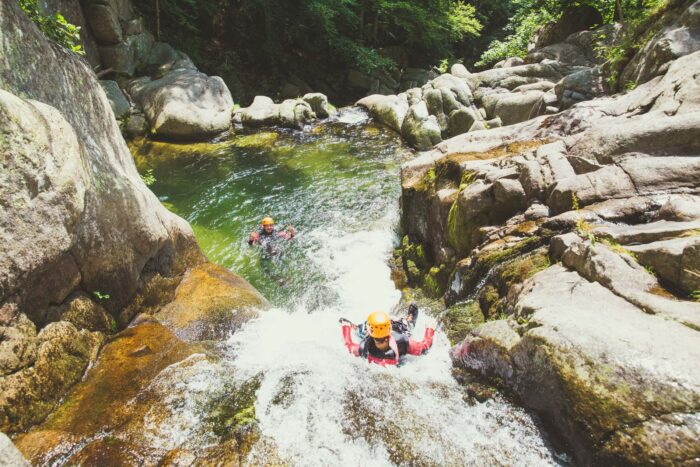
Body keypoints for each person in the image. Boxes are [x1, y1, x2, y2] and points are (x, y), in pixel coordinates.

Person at [341, 306, 435, 366]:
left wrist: (345, 328)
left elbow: (348, 345)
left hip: (393, 331)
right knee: (404, 325)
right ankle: (409, 319)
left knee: (362, 330)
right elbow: (424, 347)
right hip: (396, 330)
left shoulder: (363, 347)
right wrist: (430, 328)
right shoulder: (402, 341)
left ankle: (353, 326)